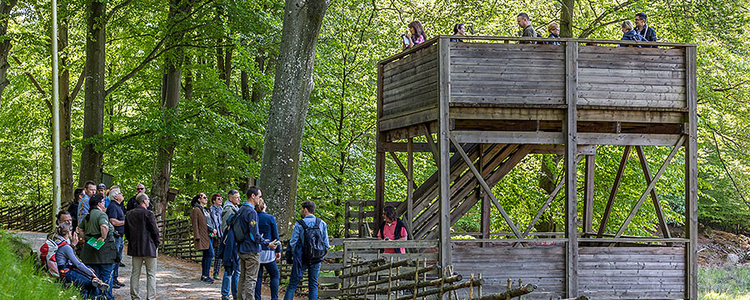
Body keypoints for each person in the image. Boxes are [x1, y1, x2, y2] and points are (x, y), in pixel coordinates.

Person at [237, 186, 278, 300]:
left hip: (241, 248)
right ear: (253, 196)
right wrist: (266, 243)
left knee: (243, 277)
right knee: (251, 279)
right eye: (259, 196)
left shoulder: (241, 209)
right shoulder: (251, 212)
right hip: (251, 250)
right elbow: (254, 235)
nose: (260, 199)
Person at [283, 201, 329, 300]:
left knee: (292, 285)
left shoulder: (299, 224)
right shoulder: (321, 223)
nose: (301, 211)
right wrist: (319, 255)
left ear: (305, 210)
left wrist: (296, 255)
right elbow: (326, 244)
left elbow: (293, 243)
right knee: (313, 285)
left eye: (301, 209)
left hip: (301, 259)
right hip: (316, 259)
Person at [77, 194, 118, 300]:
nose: (105, 204)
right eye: (103, 201)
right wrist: (103, 238)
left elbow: (79, 229)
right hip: (105, 254)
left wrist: (87, 239)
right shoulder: (101, 214)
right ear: (99, 203)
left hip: (90, 252)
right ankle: (106, 297)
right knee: (106, 278)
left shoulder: (87, 216)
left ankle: (95, 297)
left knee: (94, 278)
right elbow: (104, 226)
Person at [54, 223, 109, 298]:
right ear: (68, 233)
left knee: (90, 276)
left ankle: (93, 292)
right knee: (90, 283)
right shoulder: (66, 247)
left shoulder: (56, 241)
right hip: (66, 272)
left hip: (63, 269)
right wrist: (90, 273)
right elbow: (77, 264)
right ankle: (95, 297)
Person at [125, 193, 161, 300]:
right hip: (149, 247)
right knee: (151, 274)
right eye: (148, 200)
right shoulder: (148, 214)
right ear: (144, 201)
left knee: (135, 273)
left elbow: (126, 232)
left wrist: (131, 242)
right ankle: (150, 297)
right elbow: (155, 231)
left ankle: (134, 296)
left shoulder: (129, 214)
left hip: (135, 248)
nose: (149, 201)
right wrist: (156, 243)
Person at [255, 199, 281, 300]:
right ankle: (274, 298)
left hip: (256, 250)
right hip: (268, 251)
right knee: (275, 274)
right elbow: (275, 236)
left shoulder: (253, 217)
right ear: (264, 206)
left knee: (258, 276)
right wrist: (278, 250)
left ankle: (257, 298)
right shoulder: (270, 218)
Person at [190, 193, 217, 283]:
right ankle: (205, 275)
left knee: (207, 254)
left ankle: (204, 275)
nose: (206, 199)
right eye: (204, 197)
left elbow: (209, 222)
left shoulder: (206, 210)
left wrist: (213, 230)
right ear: (199, 199)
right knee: (210, 254)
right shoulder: (196, 210)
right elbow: (195, 224)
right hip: (202, 235)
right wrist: (197, 236)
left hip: (209, 234)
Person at [220, 189, 241, 299]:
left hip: (234, 242)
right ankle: (225, 294)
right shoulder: (229, 210)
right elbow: (226, 228)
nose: (239, 199)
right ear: (230, 198)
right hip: (230, 243)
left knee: (236, 269)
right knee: (230, 269)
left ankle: (234, 293)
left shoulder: (235, 208)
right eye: (237, 197)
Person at [106, 186, 126, 289]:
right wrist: (125, 222)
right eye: (120, 193)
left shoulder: (118, 206)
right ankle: (111, 280)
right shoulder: (113, 206)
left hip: (120, 237)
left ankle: (115, 278)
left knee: (118, 259)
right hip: (115, 237)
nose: (122, 195)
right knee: (114, 259)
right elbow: (113, 221)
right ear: (115, 197)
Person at [210, 193, 224, 280]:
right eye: (219, 199)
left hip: (220, 234)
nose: (221, 200)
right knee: (210, 254)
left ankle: (216, 272)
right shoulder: (210, 210)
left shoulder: (222, 210)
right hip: (213, 234)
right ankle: (206, 272)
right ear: (214, 200)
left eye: (221, 199)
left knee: (219, 254)